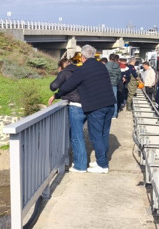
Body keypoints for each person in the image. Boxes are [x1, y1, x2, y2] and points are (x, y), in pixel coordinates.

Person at [53, 44, 116, 173]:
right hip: (109, 104)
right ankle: (101, 161)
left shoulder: (83, 69)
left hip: (97, 106)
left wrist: (57, 94)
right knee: (104, 134)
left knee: (95, 135)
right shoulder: (102, 66)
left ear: (82, 57)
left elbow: (68, 85)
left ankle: (102, 165)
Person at [49, 56, 88, 172]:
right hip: (87, 104)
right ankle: (78, 160)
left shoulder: (64, 73)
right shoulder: (81, 71)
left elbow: (53, 86)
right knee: (76, 134)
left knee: (77, 137)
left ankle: (80, 166)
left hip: (76, 106)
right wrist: (58, 95)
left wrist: (60, 75)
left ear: (61, 66)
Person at [105, 54, 123, 118]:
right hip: (114, 84)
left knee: (106, 99)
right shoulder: (117, 65)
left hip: (107, 84)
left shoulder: (106, 65)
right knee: (114, 99)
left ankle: (107, 113)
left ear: (109, 58)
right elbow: (119, 76)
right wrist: (116, 81)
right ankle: (114, 114)